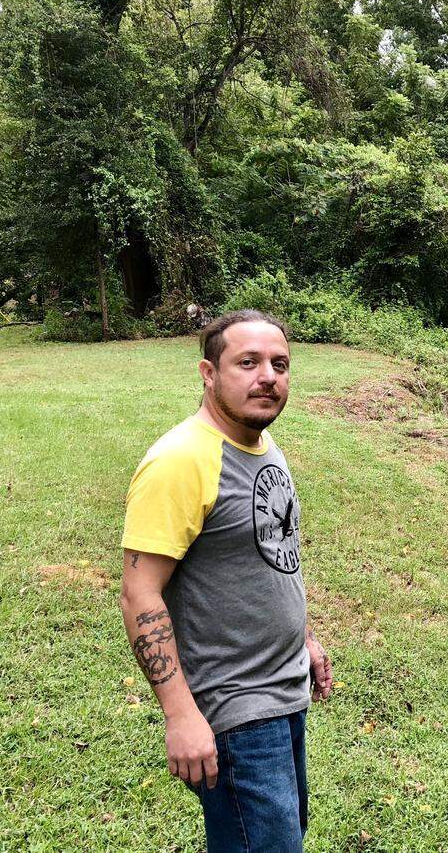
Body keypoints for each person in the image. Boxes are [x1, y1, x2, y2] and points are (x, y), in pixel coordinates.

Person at [118, 309, 333, 853]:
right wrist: (181, 715)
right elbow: (139, 593)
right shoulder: (180, 461)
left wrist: (302, 637)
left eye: (280, 364)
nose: (268, 377)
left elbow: (272, 555)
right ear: (208, 373)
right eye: (248, 362)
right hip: (235, 708)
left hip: (283, 690)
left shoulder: (260, 442)